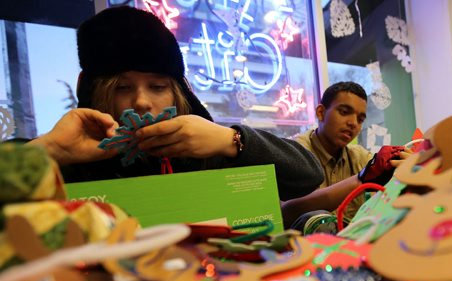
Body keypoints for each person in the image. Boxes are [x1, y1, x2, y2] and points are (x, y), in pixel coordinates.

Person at [28, 5, 324, 202]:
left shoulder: (202, 147)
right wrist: (53, 151)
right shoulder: (69, 159)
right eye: (122, 87)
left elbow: (307, 176)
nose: (141, 101)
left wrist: (231, 140)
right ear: (92, 90)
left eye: (157, 86)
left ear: (178, 92)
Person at [281, 81, 410, 230]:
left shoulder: (359, 156)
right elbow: (285, 212)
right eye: (344, 112)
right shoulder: (294, 153)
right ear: (321, 113)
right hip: (301, 249)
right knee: (319, 219)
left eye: (360, 119)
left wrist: (407, 170)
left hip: (352, 247)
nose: (353, 123)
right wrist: (360, 179)